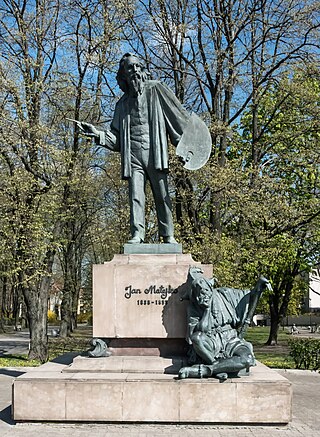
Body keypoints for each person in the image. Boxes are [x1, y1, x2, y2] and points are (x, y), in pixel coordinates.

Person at [78, 53, 192, 244]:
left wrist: (186, 145)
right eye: (130, 68)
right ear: (123, 74)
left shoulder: (156, 90)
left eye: (138, 66)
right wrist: (97, 133)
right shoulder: (121, 105)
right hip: (133, 156)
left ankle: (168, 235)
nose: (136, 71)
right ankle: (137, 234)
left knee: (162, 194)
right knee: (135, 197)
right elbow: (116, 139)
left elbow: (177, 117)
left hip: (155, 151)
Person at [178, 267, 271, 380]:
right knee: (197, 338)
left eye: (206, 290)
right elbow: (199, 332)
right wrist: (206, 310)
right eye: (201, 293)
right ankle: (219, 366)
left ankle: (207, 370)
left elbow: (248, 297)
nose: (205, 294)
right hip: (211, 341)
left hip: (231, 339)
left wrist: (259, 286)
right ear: (196, 296)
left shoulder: (225, 294)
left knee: (247, 359)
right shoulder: (193, 308)